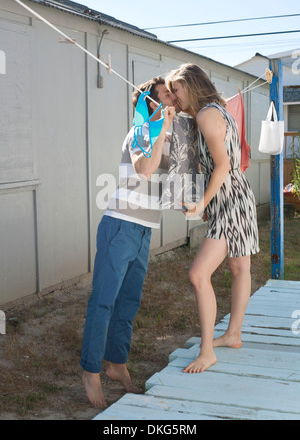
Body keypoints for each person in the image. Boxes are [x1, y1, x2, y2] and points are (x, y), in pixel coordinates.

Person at [80, 77, 177, 408]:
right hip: (120, 226)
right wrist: (161, 127)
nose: (173, 102)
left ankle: (116, 364)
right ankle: (90, 372)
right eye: (167, 96)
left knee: (128, 303)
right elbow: (145, 171)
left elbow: (170, 183)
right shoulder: (140, 133)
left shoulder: (167, 137)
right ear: (152, 102)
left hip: (144, 230)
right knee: (104, 302)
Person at [166, 63, 260, 374]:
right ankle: (233, 334)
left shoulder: (207, 115)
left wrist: (201, 203)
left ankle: (207, 352)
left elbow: (222, 166)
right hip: (235, 197)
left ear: (191, 85)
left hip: (230, 201)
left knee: (198, 274)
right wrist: (206, 203)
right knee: (239, 267)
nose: (173, 96)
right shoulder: (216, 110)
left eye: (176, 90)